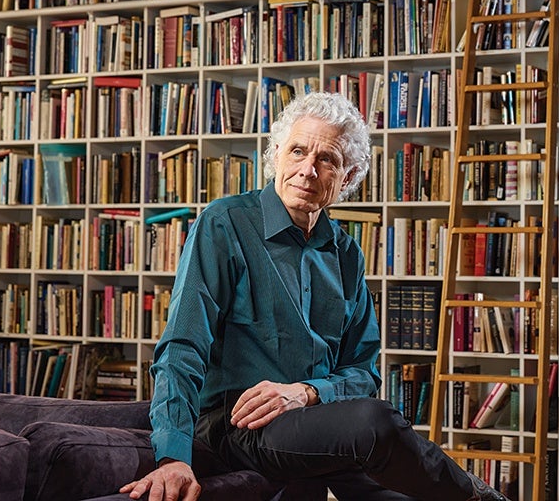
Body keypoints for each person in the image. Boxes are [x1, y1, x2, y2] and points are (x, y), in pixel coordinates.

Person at [120, 91, 510, 501]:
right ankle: (479, 497)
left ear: (348, 176)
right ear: (276, 155)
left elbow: (363, 372)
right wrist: (172, 458)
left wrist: (305, 392)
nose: (308, 170)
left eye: (328, 160)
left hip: (319, 428)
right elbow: (183, 345)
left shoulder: (346, 254)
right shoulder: (225, 224)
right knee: (375, 421)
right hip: (237, 425)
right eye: (298, 151)